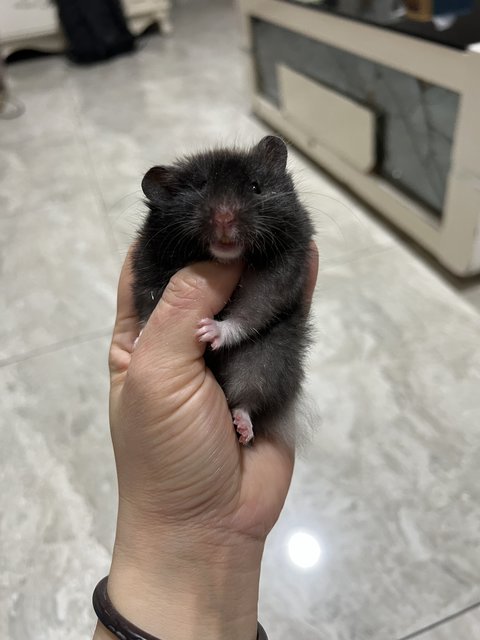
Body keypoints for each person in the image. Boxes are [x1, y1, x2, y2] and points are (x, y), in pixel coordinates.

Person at [93, 242, 318, 640]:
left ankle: (248, 407)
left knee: (275, 353)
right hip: (211, 350)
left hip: (255, 358)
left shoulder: (282, 250)